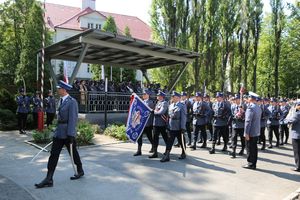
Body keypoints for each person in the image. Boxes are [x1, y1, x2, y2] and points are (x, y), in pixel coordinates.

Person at [35, 80, 84, 188]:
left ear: (64, 90)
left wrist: (71, 134)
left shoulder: (72, 102)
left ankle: (80, 170)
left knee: (73, 153)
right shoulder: (60, 100)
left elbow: (73, 119)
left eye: (59, 89)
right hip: (59, 132)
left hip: (67, 132)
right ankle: (49, 178)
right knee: (53, 154)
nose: (57, 90)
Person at [160, 91, 186, 162]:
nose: (172, 98)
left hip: (178, 127)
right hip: (171, 126)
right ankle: (167, 155)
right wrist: (168, 125)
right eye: (172, 96)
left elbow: (183, 117)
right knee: (170, 141)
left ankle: (183, 152)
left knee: (181, 141)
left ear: (177, 98)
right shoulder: (171, 105)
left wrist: (183, 127)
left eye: (173, 96)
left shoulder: (182, 105)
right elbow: (168, 116)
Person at [243, 92, 262, 170]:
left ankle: (250, 163)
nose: (247, 98)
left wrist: (246, 133)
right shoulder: (258, 107)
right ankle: (253, 163)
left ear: (250, 98)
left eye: (248, 97)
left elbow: (248, 121)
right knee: (254, 148)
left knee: (249, 148)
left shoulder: (250, 107)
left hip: (251, 131)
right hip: (256, 130)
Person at [133, 89, 154, 156]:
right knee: (139, 136)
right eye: (143, 94)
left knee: (149, 136)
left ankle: (153, 147)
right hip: (141, 123)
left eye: (145, 94)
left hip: (147, 123)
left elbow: (146, 111)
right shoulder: (143, 101)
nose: (143, 95)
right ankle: (139, 150)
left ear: (148, 95)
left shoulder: (150, 103)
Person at [149, 90, 169, 159]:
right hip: (156, 124)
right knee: (155, 138)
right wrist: (154, 111)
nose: (157, 96)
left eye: (158, 95)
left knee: (165, 138)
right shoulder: (158, 102)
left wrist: (153, 111)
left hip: (162, 124)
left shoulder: (164, 103)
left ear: (161, 97)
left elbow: (161, 112)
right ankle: (155, 152)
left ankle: (167, 151)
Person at [284, 99, 300, 172]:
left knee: (297, 152)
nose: (295, 106)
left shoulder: (298, 113)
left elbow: (292, 120)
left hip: (297, 135)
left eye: (296, 105)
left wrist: (285, 120)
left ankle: (298, 166)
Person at [229, 94, 246, 158]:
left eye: (237, 99)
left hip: (241, 125)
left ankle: (242, 149)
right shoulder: (233, 106)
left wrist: (242, 115)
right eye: (235, 99)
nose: (236, 101)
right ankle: (233, 151)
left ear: (240, 99)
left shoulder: (244, 106)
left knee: (242, 138)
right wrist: (234, 116)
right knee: (234, 138)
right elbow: (231, 114)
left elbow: (246, 114)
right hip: (235, 125)